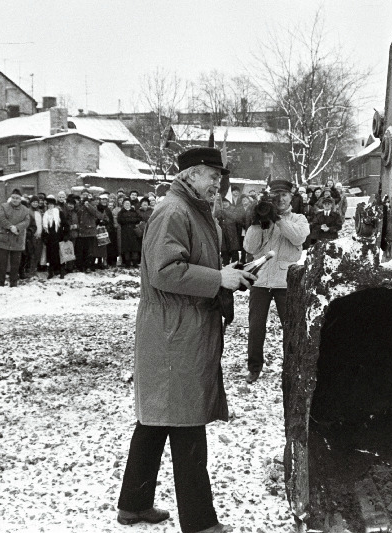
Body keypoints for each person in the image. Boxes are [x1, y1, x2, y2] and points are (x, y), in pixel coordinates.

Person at [117, 147, 253, 533]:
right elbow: (164, 271)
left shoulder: (190, 207)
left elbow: (187, 263)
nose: (218, 183)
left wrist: (226, 273)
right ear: (192, 174)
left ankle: (133, 504)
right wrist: (217, 280)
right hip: (174, 330)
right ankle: (200, 523)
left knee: (157, 418)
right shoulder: (174, 210)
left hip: (177, 327)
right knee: (187, 420)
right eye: (213, 176)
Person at [243, 178, 309, 384]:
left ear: (291, 197)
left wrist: (279, 220)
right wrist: (257, 222)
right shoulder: (262, 219)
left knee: (290, 326)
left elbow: (298, 238)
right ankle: (254, 368)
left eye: (284, 195)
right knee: (255, 327)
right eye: (276, 195)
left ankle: (294, 365)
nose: (280, 199)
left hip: (285, 281)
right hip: (261, 280)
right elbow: (249, 248)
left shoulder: (299, 219)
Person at [0, 189, 31, 287]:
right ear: (11, 198)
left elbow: (26, 222)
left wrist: (17, 228)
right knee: (2, 264)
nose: (15, 200)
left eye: (17, 198)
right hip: (4, 238)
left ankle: (13, 283)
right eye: (13, 198)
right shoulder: (4, 206)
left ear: (20, 199)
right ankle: (0, 283)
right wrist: (11, 227)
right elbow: (1, 219)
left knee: (15, 264)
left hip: (17, 239)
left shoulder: (25, 209)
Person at [76, 192, 105, 273]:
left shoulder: (92, 205)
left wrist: (88, 205)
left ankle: (88, 266)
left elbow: (98, 215)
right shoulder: (79, 205)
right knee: (81, 250)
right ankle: (81, 266)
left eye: (86, 195)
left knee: (89, 251)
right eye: (83, 194)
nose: (85, 196)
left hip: (90, 231)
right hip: (81, 231)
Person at [41, 196, 68, 279]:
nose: (50, 206)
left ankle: (62, 271)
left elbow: (66, 225)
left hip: (59, 237)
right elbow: (44, 227)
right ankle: (51, 272)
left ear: (54, 205)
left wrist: (66, 235)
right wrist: (44, 237)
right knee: (50, 255)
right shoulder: (45, 214)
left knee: (60, 255)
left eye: (51, 204)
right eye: (48, 204)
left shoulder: (59, 213)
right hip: (50, 238)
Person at [117, 199, 141, 267]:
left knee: (134, 248)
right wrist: (131, 220)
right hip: (125, 232)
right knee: (126, 248)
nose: (127, 204)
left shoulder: (134, 212)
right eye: (125, 203)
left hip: (133, 232)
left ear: (130, 204)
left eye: (128, 203)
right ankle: (127, 262)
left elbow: (138, 219)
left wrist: (128, 220)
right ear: (123, 204)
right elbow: (120, 220)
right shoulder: (121, 212)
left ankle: (135, 262)